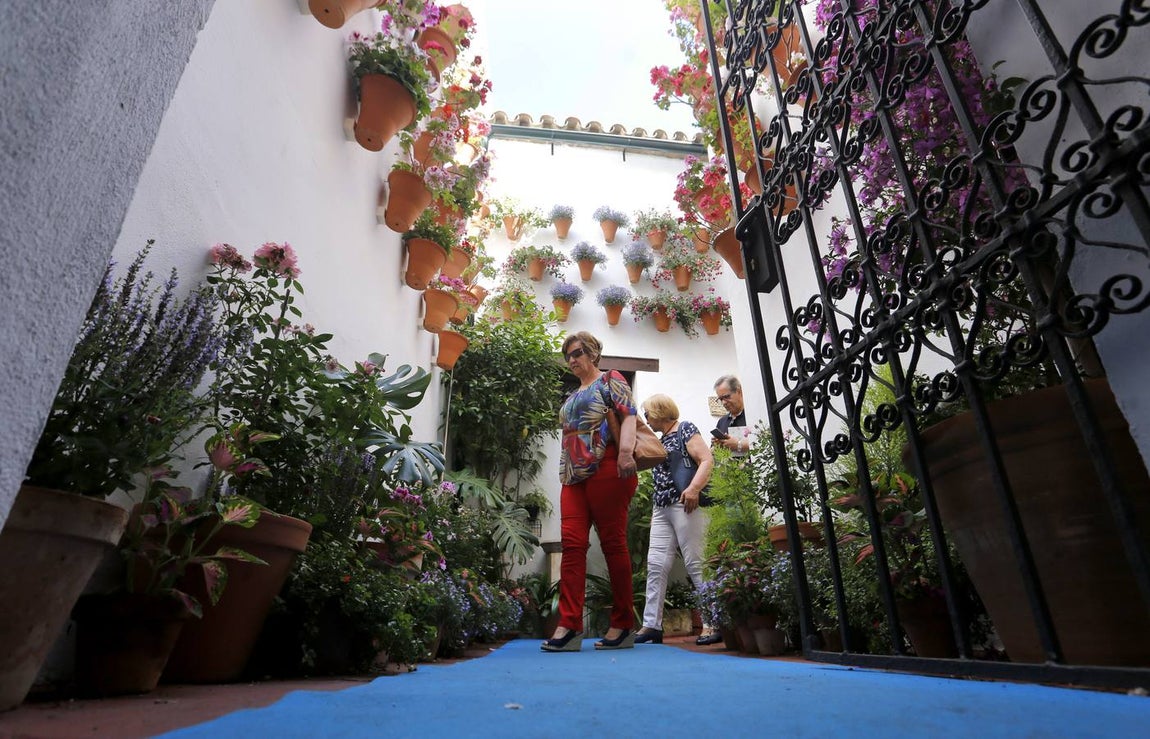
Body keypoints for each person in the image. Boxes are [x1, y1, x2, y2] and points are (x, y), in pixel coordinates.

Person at [542, 331, 638, 652]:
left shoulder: (611, 379)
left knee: (612, 544)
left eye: (578, 352)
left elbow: (628, 418)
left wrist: (625, 453)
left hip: (607, 467)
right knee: (571, 545)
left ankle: (623, 624)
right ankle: (569, 625)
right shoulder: (572, 396)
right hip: (572, 476)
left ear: (594, 352)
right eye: (568, 355)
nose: (573, 359)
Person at [634, 394, 723, 646]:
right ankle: (651, 625)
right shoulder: (662, 440)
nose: (647, 419)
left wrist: (694, 488)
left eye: (648, 413)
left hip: (685, 503)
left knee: (696, 561)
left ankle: (712, 623)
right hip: (662, 508)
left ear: (660, 411)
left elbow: (706, 459)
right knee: (655, 564)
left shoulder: (685, 429)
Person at [712, 374, 752, 457]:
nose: (724, 402)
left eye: (726, 397)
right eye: (720, 399)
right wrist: (717, 445)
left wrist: (739, 444)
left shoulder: (753, 415)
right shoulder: (722, 422)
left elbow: (766, 442)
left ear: (739, 391)